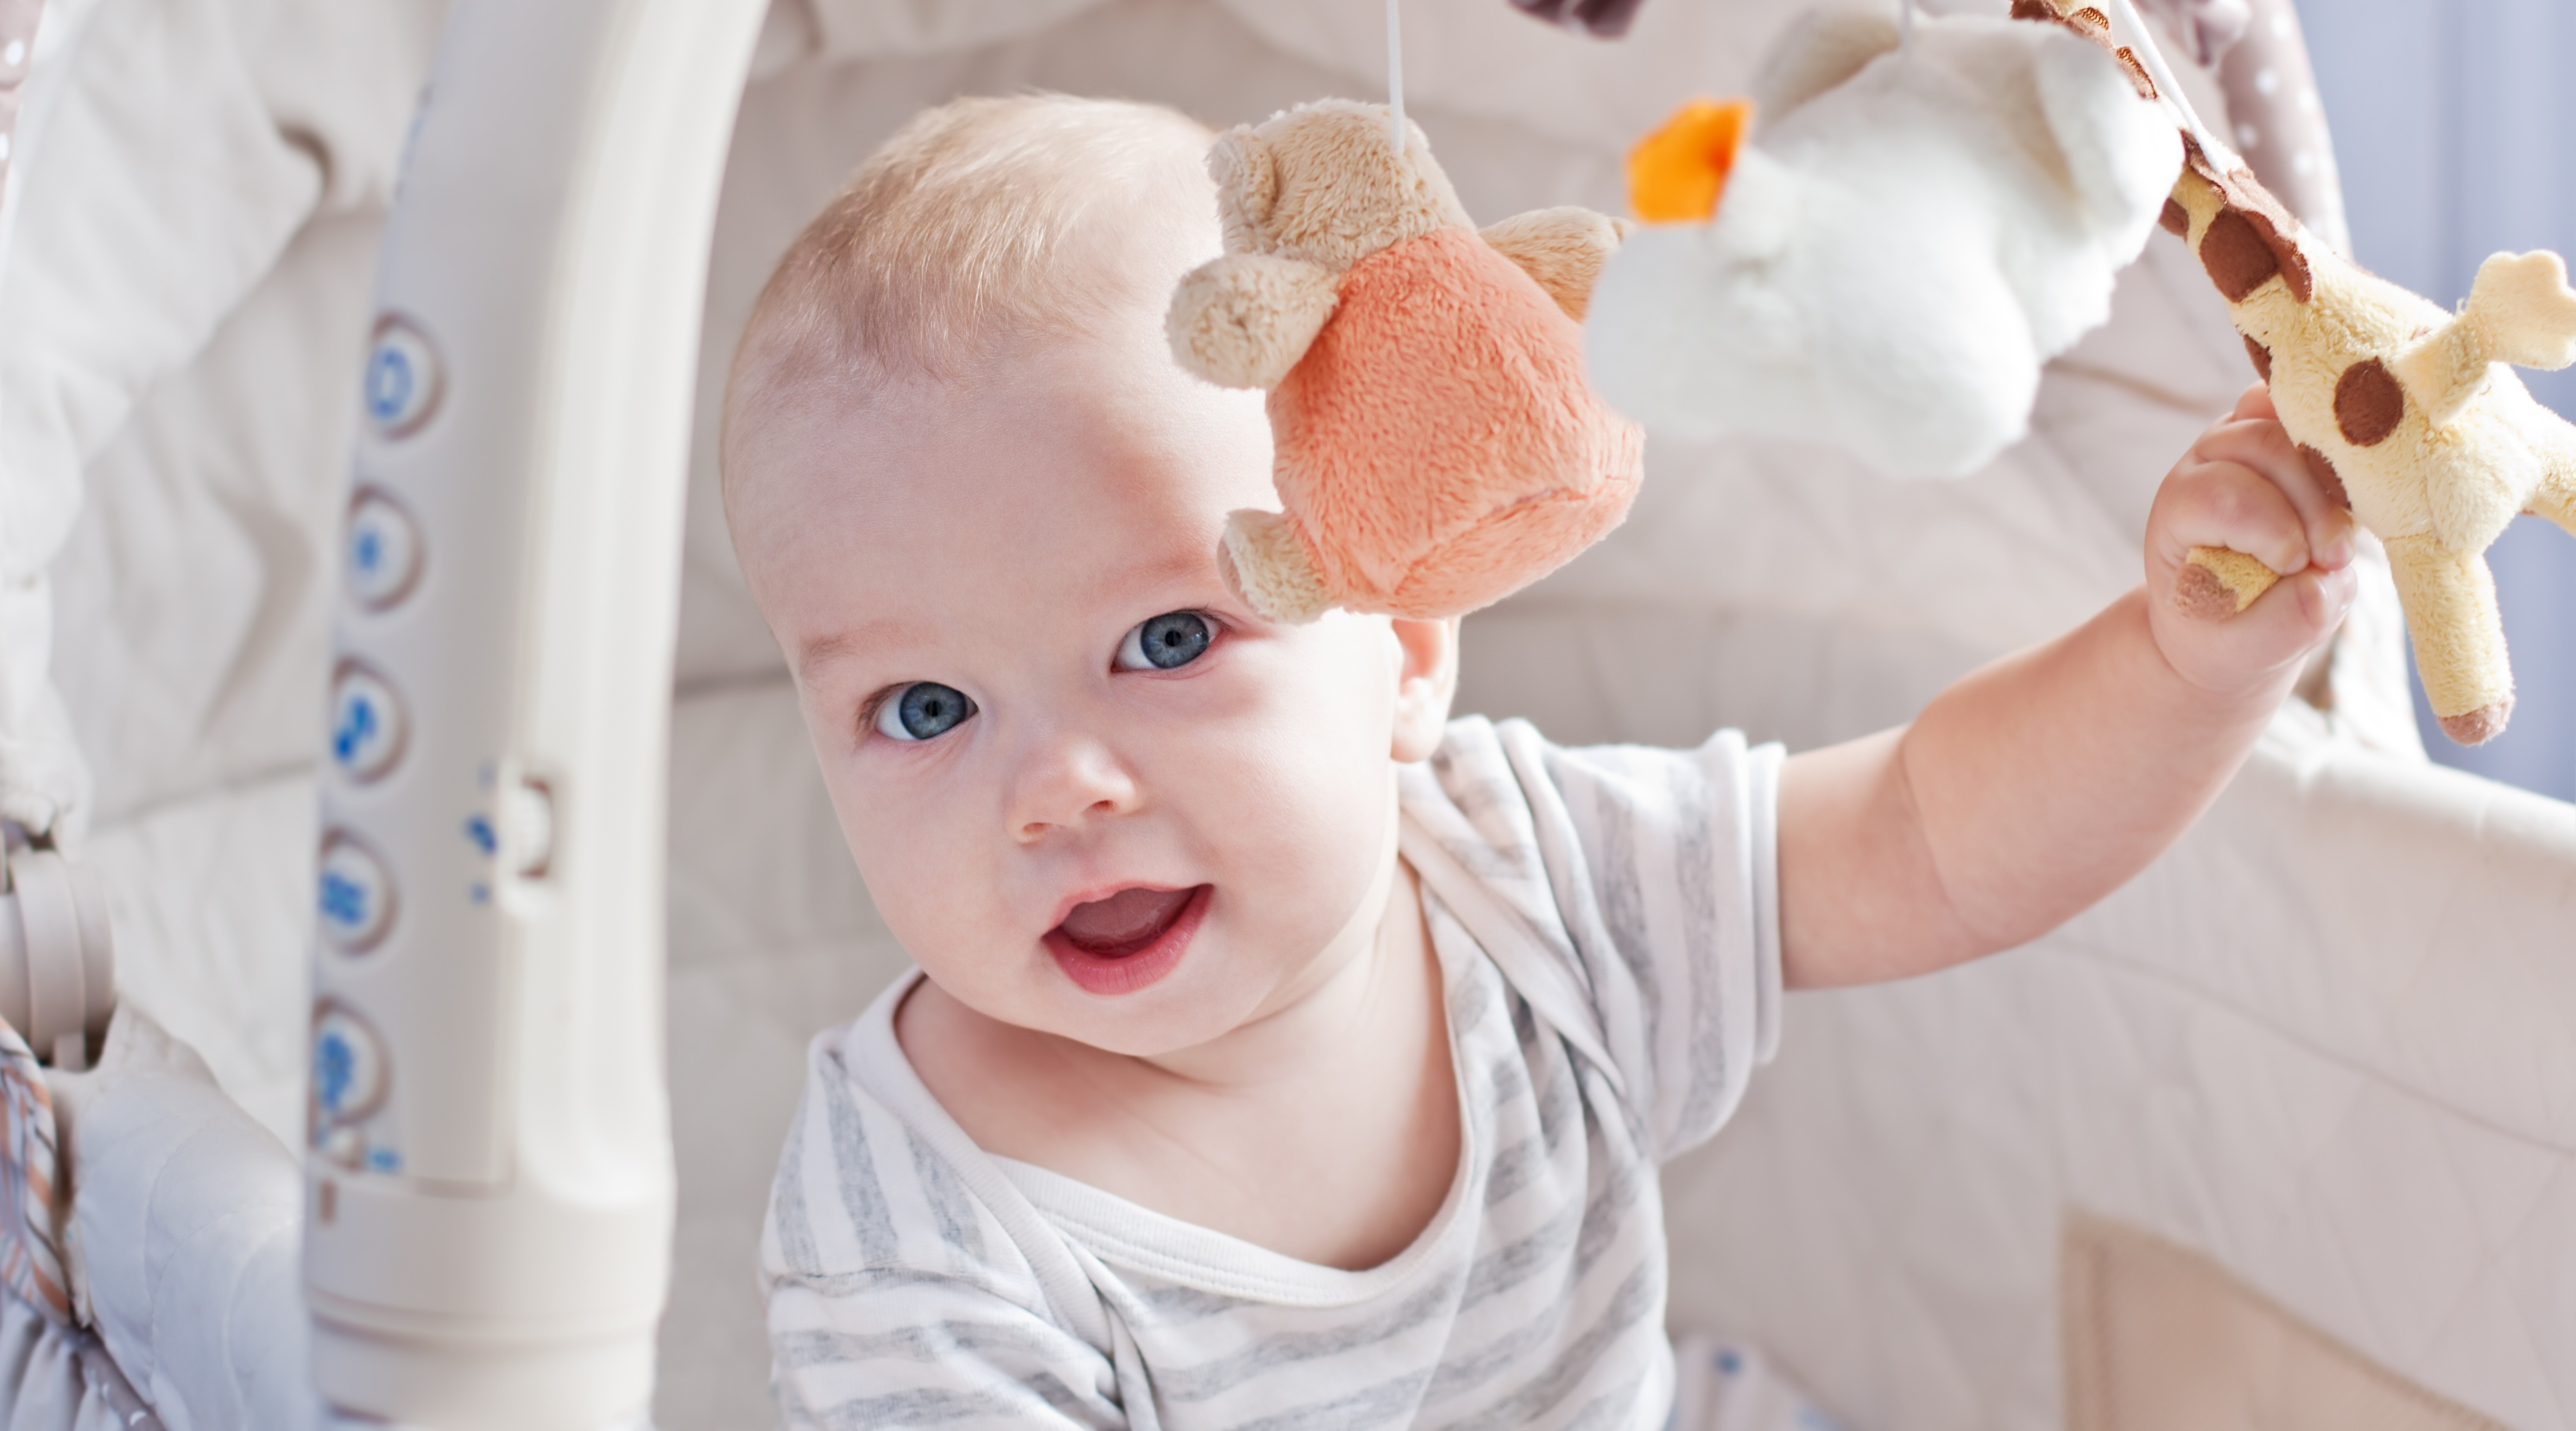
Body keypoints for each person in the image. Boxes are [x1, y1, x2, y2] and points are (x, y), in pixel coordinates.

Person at [721, 93, 2353, 1429]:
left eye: (1166, 639)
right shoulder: (921, 1236)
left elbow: (1927, 834)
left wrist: (2180, 665)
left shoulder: (1524, 882)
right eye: (925, 709)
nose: (1059, 788)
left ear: (1405, 647)